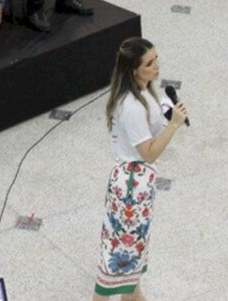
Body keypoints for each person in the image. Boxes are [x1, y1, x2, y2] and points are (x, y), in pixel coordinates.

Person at [93, 37, 188, 301]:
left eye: (156, 59)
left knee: (131, 257)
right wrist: (173, 126)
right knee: (119, 257)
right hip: (130, 190)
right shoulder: (131, 106)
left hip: (138, 187)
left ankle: (134, 296)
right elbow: (148, 153)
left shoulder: (143, 92)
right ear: (134, 69)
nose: (156, 66)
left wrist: (165, 117)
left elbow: (147, 135)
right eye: (149, 63)